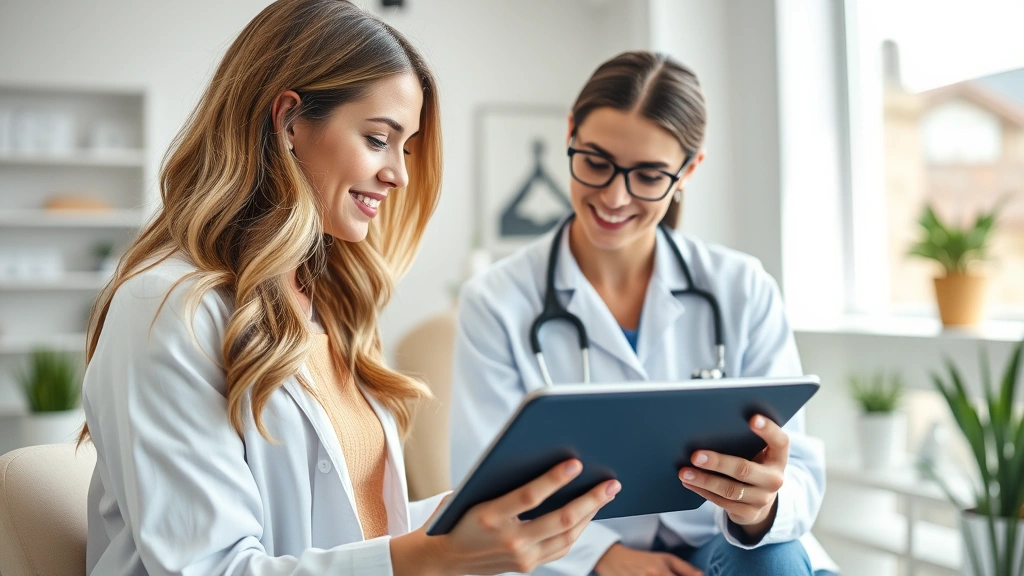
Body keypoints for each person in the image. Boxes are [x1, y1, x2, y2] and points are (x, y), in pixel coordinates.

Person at [79, 2, 619, 574]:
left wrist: (465, 519)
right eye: (378, 138)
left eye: (405, 147)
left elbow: (352, 523)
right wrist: (432, 557)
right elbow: (210, 567)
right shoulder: (166, 308)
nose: (400, 174)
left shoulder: (329, 307)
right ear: (290, 122)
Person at [449, 51, 839, 576]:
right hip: (571, 558)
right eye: (596, 163)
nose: (614, 196)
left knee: (774, 558)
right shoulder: (496, 302)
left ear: (688, 171)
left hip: (722, 544)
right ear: (570, 134)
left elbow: (798, 473)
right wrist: (604, 558)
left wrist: (760, 510)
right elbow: (483, 491)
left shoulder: (742, 288)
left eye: (649, 175)